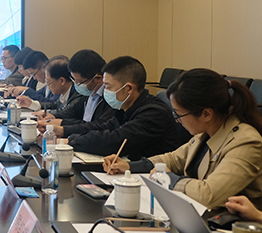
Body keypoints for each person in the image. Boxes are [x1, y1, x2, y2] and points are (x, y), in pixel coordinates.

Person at [105, 69, 262, 211]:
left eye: (179, 114)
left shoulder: (245, 143)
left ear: (206, 114)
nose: (177, 120)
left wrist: (169, 179)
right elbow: (174, 159)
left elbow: (208, 195)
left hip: (235, 229)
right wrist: (129, 166)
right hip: (199, 216)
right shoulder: (207, 132)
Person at [54, 56, 187, 159]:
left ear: (128, 88)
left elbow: (115, 140)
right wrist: (65, 132)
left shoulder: (153, 113)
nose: (105, 91)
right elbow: (104, 127)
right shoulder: (126, 107)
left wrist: (71, 141)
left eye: (108, 86)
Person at [34, 49, 115, 130]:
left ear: (98, 78)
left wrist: (62, 125)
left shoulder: (111, 98)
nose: (76, 84)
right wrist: (53, 116)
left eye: (79, 81)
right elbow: (73, 110)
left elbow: (99, 126)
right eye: (74, 80)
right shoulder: (88, 93)